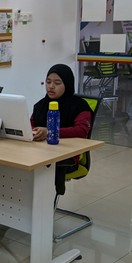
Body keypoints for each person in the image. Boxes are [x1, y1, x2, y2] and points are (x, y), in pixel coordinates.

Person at [31, 64, 93, 195]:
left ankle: (46, 201)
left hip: (67, 157)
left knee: (39, 171)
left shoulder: (80, 105)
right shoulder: (40, 105)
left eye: (57, 83)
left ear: (67, 84)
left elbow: (81, 131)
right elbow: (31, 125)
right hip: (40, 152)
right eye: (48, 82)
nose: (51, 86)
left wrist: (51, 132)